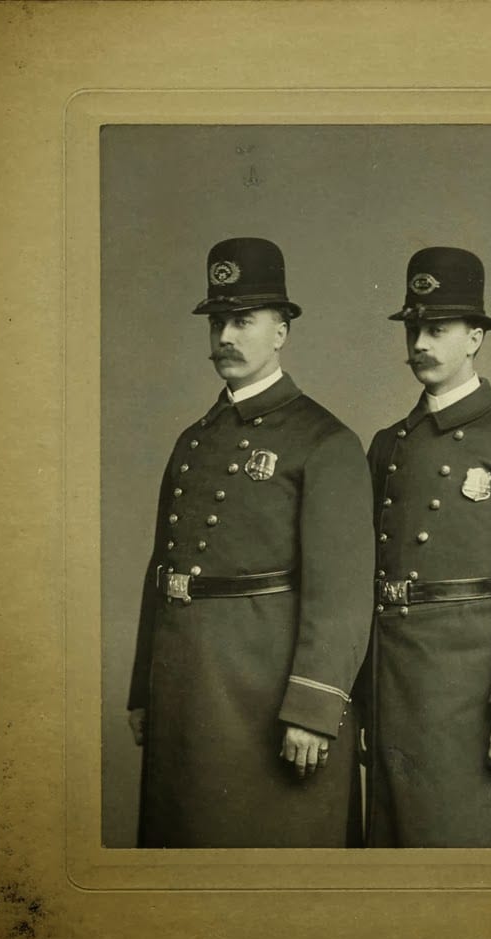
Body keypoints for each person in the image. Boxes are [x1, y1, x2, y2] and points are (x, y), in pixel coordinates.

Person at [127, 237, 374, 847]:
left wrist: (315, 710)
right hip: (187, 690)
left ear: (282, 330)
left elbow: (341, 595)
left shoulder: (325, 441)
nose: (225, 338)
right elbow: (163, 571)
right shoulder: (193, 440)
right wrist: (144, 690)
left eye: (243, 321)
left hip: (266, 699)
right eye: (217, 323)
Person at [361, 246, 491, 847]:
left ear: (475, 337)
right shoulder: (387, 446)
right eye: (413, 329)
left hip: (476, 697)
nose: (421, 344)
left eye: (438, 329)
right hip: (396, 687)